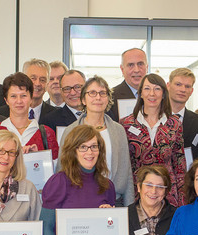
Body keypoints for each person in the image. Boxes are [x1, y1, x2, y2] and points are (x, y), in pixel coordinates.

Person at [61, 76, 134, 206]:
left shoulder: (119, 131)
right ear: (83, 99)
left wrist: (130, 209)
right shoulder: (70, 131)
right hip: (79, 200)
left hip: (113, 200)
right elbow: (62, 170)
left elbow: (127, 173)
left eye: (102, 93)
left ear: (108, 99)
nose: (98, 98)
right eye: (92, 93)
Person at [121, 73, 186, 206]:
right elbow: (124, 163)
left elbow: (179, 163)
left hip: (167, 192)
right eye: (147, 89)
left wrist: (183, 200)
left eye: (157, 89)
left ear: (163, 94)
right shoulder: (126, 124)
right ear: (140, 94)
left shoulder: (174, 123)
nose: (152, 93)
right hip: (137, 191)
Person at [0, 72, 59, 159]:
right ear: (6, 100)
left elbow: (55, 170)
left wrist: (38, 157)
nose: (19, 101)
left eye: (23, 96)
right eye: (13, 96)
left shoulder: (47, 134)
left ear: (31, 98)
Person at [168, 68, 198, 161]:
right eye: (178, 84)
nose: (183, 89)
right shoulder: (154, 119)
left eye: (187, 86)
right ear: (168, 86)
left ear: (192, 91)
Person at [111, 48, 148, 119]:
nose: (136, 70)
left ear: (147, 67)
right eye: (131, 65)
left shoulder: (158, 95)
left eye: (140, 64)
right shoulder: (111, 97)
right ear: (122, 69)